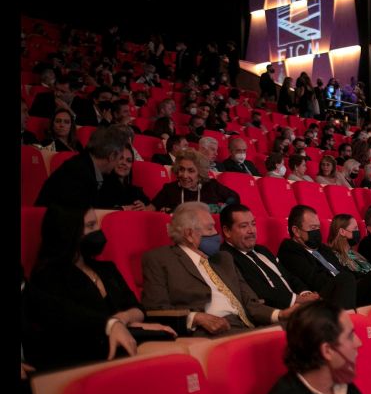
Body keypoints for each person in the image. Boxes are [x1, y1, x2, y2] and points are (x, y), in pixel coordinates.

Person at [23, 205, 175, 371]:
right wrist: (117, 325)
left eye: (96, 224)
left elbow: (137, 308)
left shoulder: (106, 268)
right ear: (69, 232)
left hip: (122, 338)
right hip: (84, 354)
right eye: (90, 226)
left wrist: (123, 318)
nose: (98, 231)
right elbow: (71, 322)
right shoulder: (49, 275)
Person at [142, 202, 292, 336]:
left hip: (247, 326)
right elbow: (155, 309)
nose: (217, 234)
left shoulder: (223, 258)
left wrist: (279, 314)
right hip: (210, 331)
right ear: (189, 234)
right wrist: (195, 318)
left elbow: (250, 302)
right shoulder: (160, 259)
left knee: (302, 325)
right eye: (210, 228)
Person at [219, 204, 319, 310]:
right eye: (244, 226)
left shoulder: (262, 250)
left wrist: (305, 293)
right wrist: (296, 299)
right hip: (275, 312)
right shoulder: (226, 257)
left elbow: (288, 276)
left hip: (299, 306)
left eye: (253, 224)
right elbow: (256, 290)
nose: (251, 230)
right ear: (227, 231)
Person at [277, 205, 358, 309]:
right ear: (296, 231)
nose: (317, 231)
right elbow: (314, 280)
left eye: (318, 227)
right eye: (313, 228)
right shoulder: (289, 250)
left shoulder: (322, 248)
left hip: (346, 285)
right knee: (345, 278)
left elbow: (341, 268)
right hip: (323, 296)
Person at [35, 124, 131, 209]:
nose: (119, 162)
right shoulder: (78, 173)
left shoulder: (86, 165)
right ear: (112, 156)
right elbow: (83, 219)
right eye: (119, 157)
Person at [151, 149, 240, 213]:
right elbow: (151, 208)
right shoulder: (170, 189)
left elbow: (234, 197)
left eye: (191, 171)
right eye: (181, 169)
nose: (185, 175)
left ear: (200, 173)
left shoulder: (211, 185)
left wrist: (221, 208)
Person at [105, 146, 151, 211]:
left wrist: (144, 208)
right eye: (120, 158)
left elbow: (150, 208)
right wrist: (123, 209)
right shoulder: (100, 185)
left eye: (128, 161)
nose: (124, 163)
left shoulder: (136, 191)